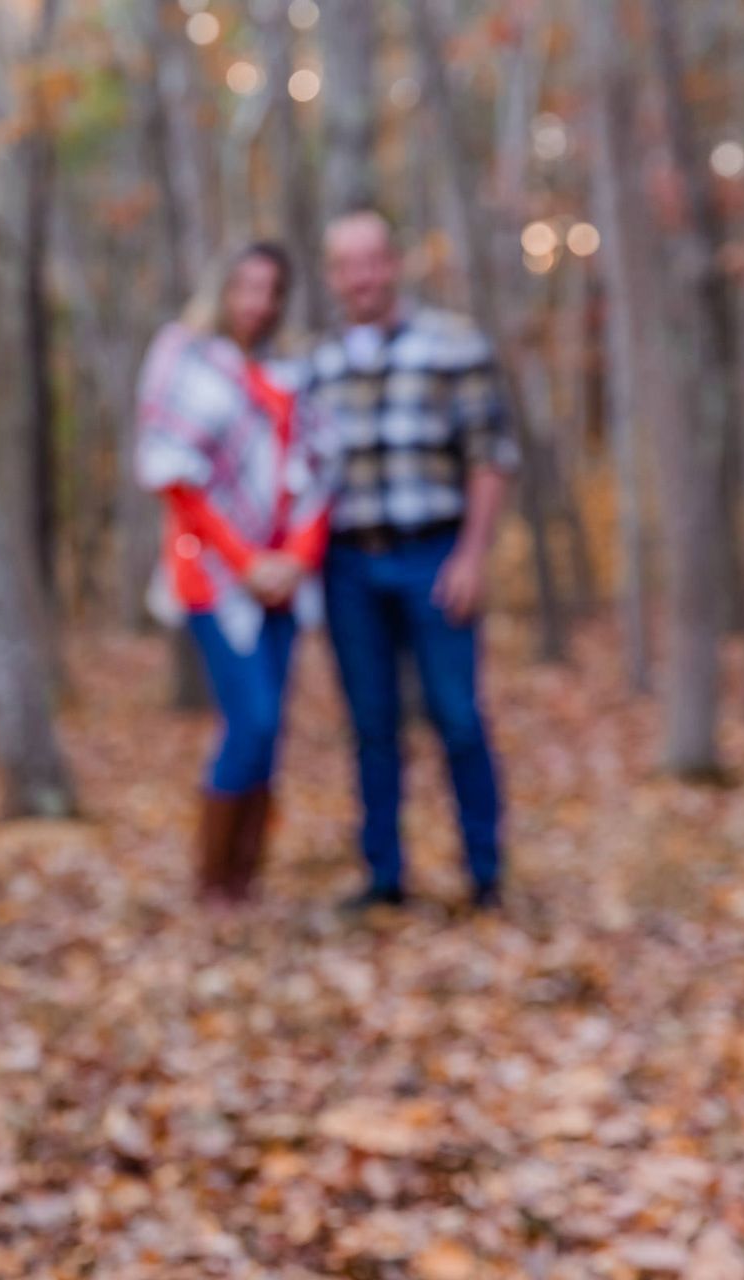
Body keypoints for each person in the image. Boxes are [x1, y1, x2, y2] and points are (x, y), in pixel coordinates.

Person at [307, 209, 516, 911]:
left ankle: (485, 873)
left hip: (434, 552)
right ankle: (384, 876)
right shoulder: (319, 363)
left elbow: (490, 456)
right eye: (347, 265)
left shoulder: (452, 345)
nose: (361, 277)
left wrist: (472, 555)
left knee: (457, 716)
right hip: (348, 568)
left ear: (393, 264)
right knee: (371, 725)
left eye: (372, 261)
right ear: (334, 276)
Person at [136, 242, 333, 905]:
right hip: (214, 579)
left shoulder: (293, 370)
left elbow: (318, 473)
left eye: (271, 289)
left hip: (285, 580)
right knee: (249, 721)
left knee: (271, 728)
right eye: (246, 286)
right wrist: (246, 563)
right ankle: (213, 884)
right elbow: (174, 475)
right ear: (223, 289)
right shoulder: (182, 355)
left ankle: (246, 880)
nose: (258, 302)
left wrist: (296, 560)